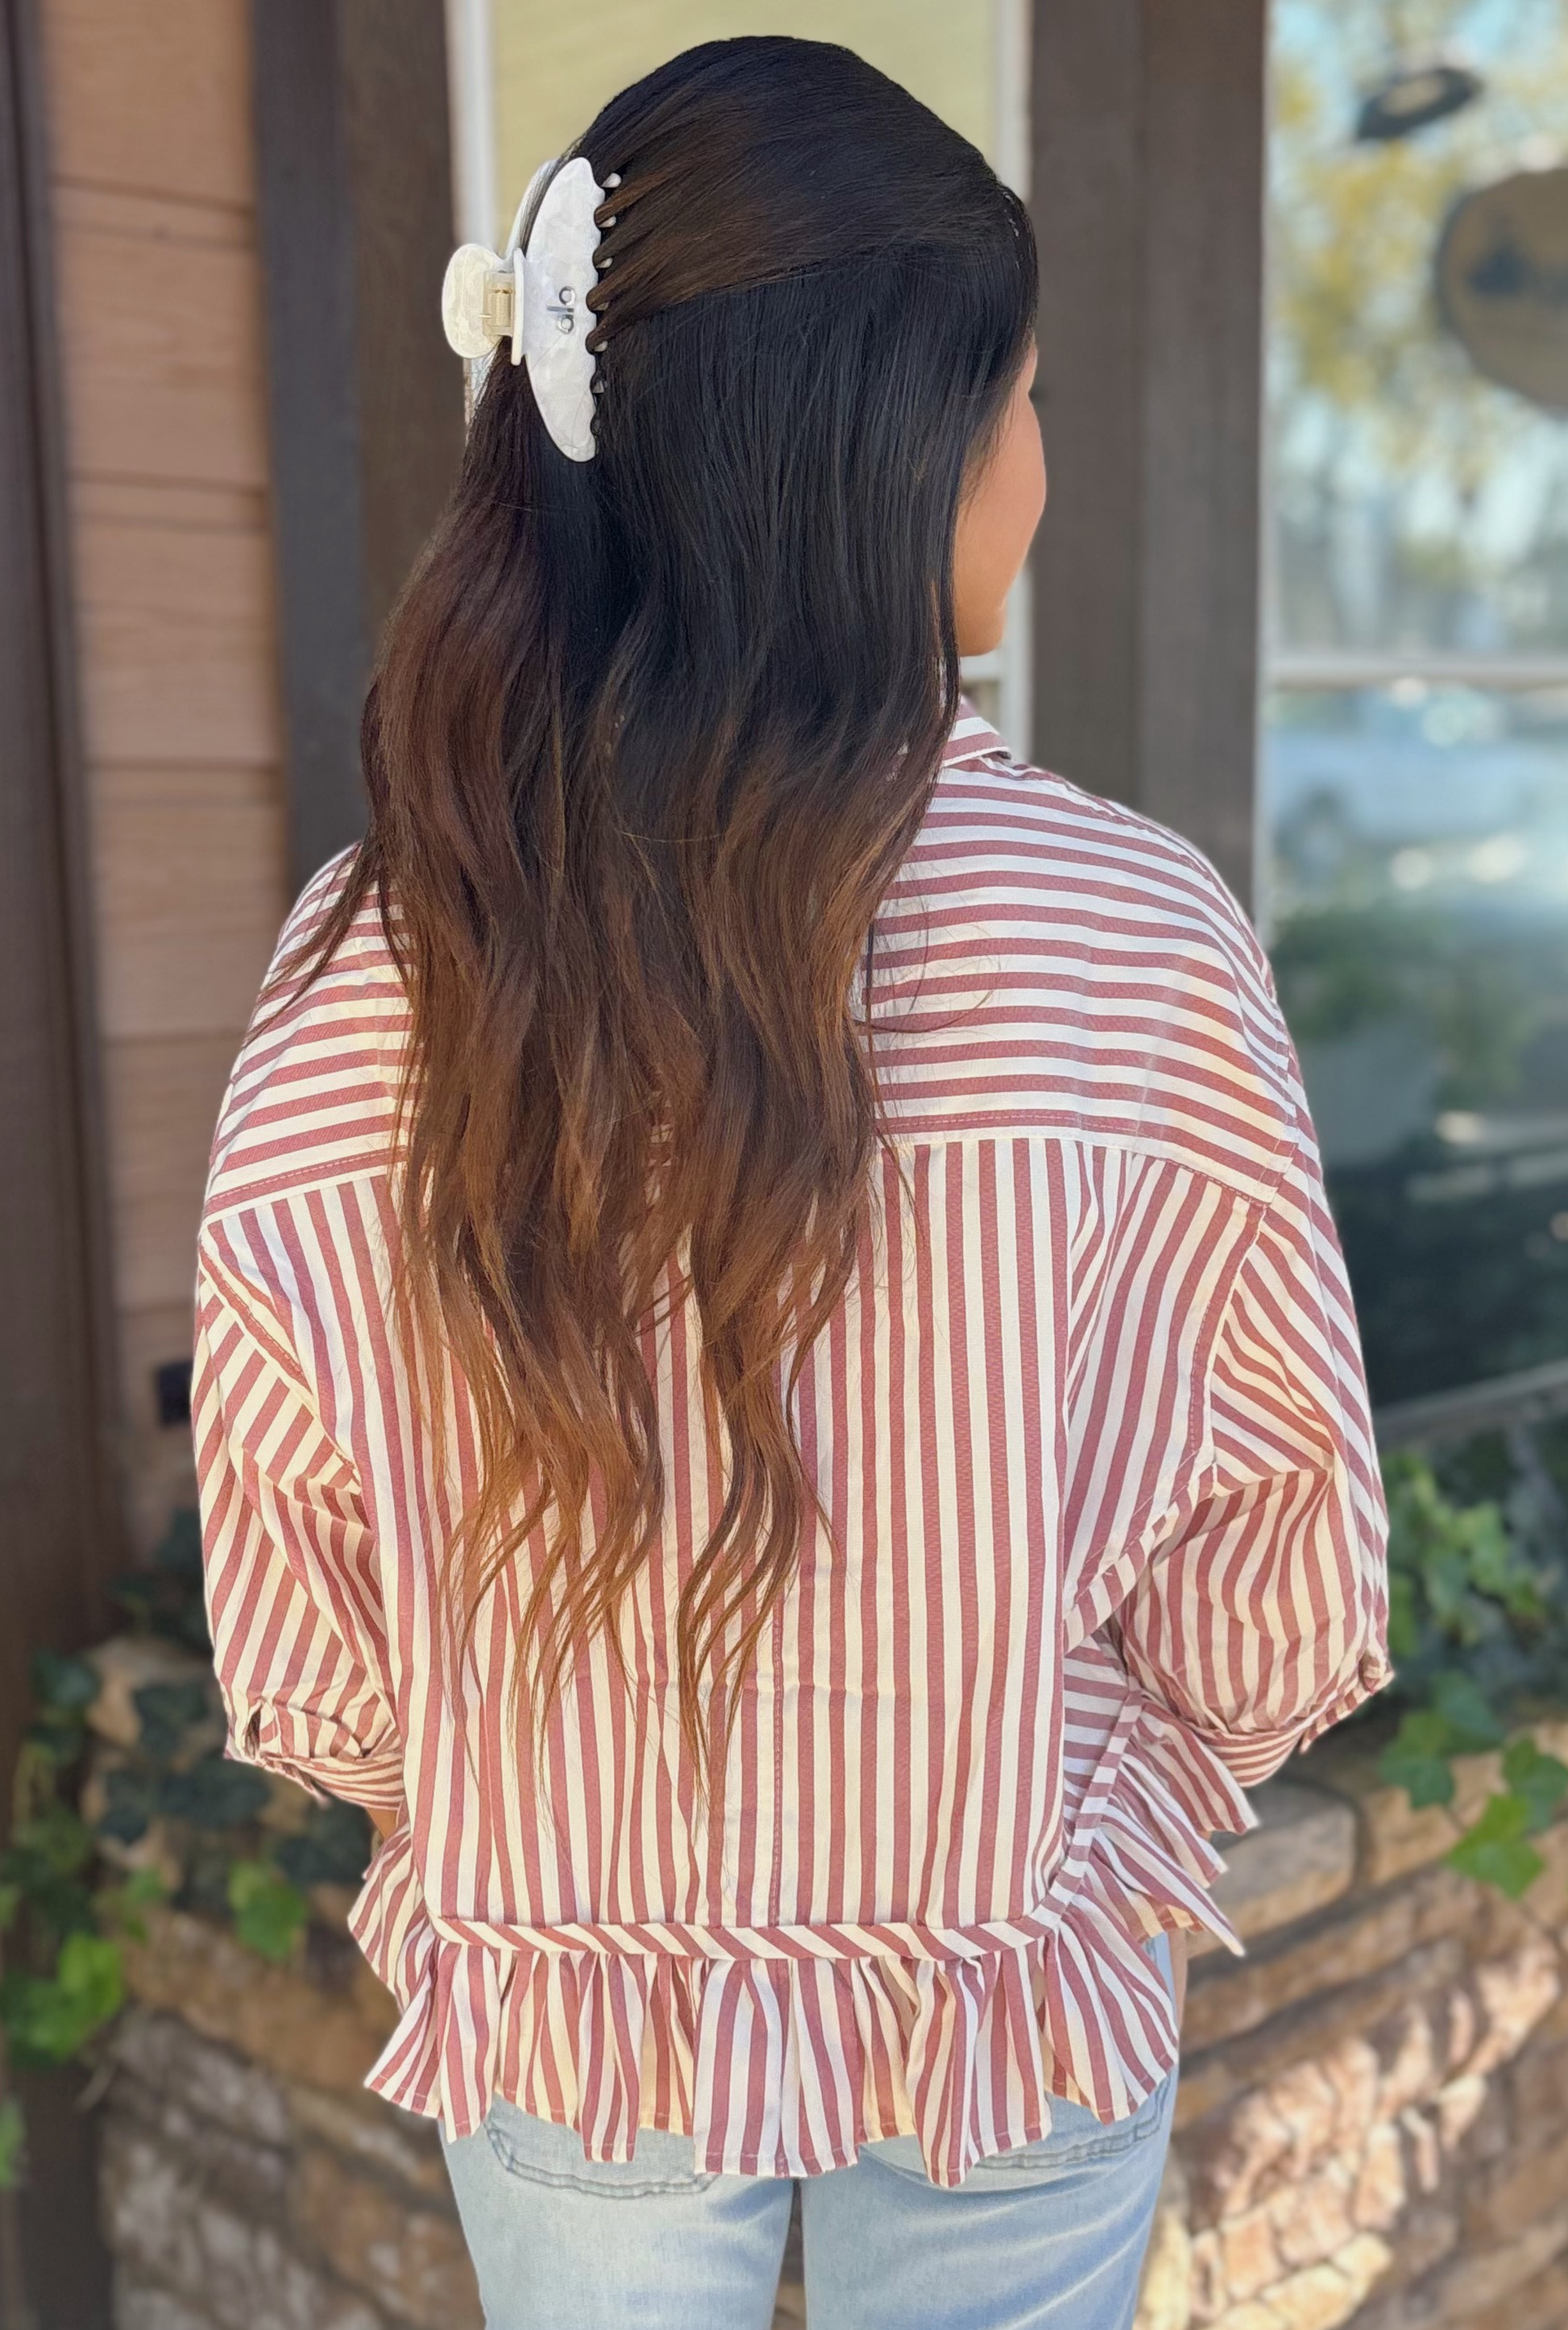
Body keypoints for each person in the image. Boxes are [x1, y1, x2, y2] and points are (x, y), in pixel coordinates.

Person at [192, 35, 1391, 2330]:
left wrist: (494, 1781)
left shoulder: (370, 966)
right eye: (1021, 395)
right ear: (893, 447)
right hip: (1006, 1960)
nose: (1041, 461)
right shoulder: (1137, 940)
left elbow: (310, 1606)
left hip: (576, 1982)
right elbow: (1268, 1567)